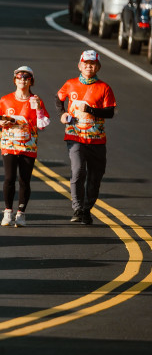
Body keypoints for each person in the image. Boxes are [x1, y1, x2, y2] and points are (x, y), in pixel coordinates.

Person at [55, 50, 116, 225]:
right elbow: (58, 98)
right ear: (80, 66)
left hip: (97, 139)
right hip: (75, 136)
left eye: (92, 64)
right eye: (86, 63)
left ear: (98, 67)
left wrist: (90, 110)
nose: (89, 66)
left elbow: (110, 112)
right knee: (78, 170)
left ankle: (87, 209)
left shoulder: (104, 87)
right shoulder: (71, 84)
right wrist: (62, 113)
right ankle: (77, 208)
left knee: (95, 177)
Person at [0, 66, 50, 227]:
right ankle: (8, 211)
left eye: (26, 78)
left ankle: (21, 214)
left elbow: (43, 124)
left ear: (31, 81)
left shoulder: (36, 101)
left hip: (28, 146)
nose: (22, 80)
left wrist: (38, 108)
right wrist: (1, 122)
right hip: (9, 145)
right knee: (9, 178)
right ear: (15, 80)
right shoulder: (6, 99)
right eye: (19, 77)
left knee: (24, 180)